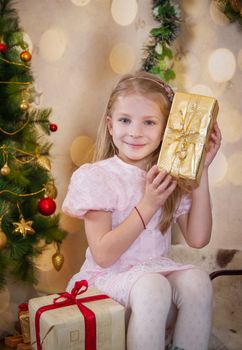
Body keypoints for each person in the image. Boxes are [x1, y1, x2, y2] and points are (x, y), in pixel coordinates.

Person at [62, 71, 222, 350]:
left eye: (149, 122)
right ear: (110, 126)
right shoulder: (98, 177)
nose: (135, 132)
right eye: (125, 120)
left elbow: (198, 239)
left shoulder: (168, 178)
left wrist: (201, 170)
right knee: (153, 287)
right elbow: (103, 255)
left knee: (198, 280)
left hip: (153, 274)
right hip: (107, 283)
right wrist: (149, 204)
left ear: (165, 131)